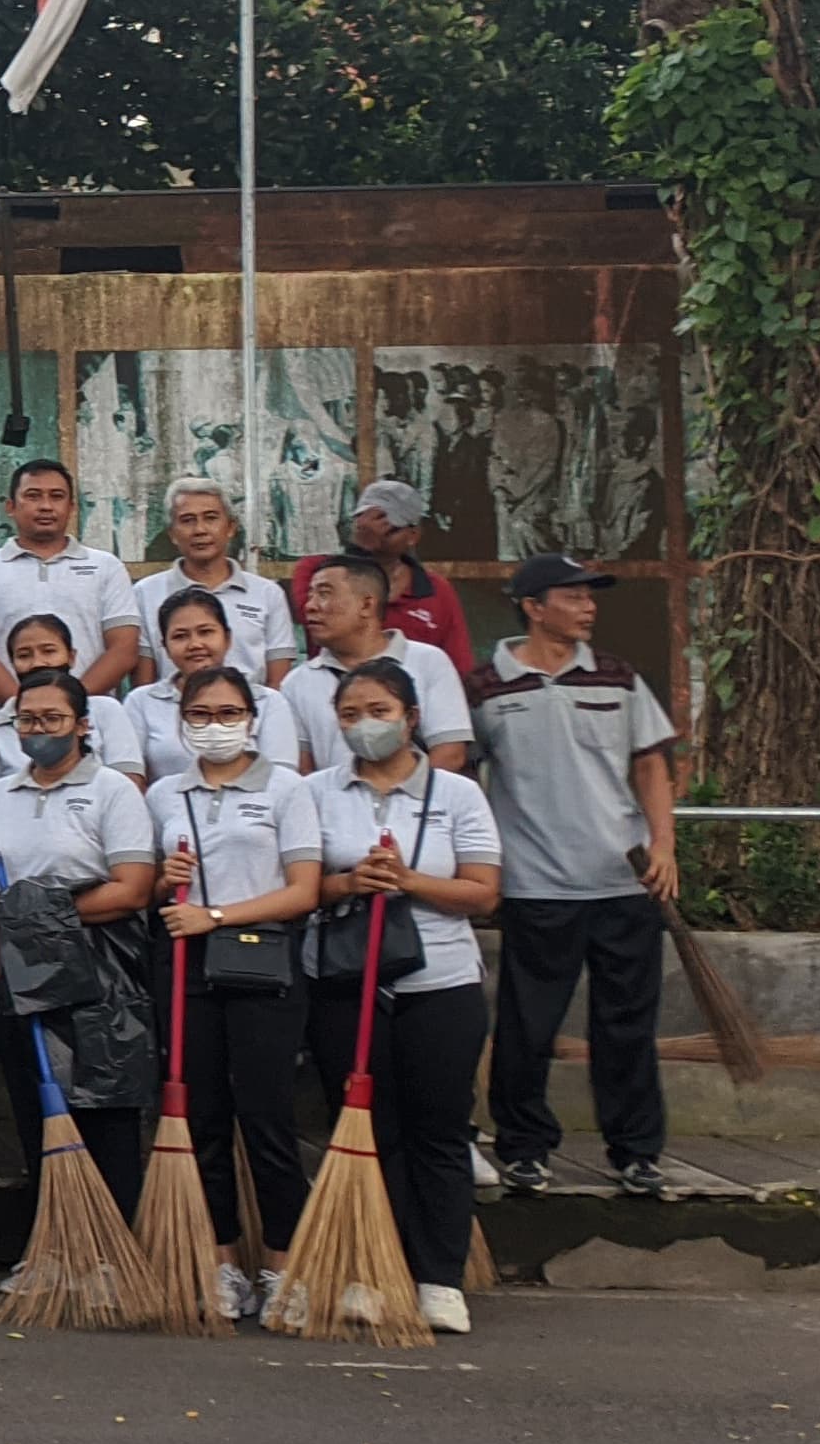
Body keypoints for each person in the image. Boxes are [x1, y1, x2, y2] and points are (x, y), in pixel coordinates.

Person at [471, 552, 683, 1199]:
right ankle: (525, 1146)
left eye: (591, 597)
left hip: (624, 880)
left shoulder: (618, 678)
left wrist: (664, 846)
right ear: (534, 608)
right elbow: (461, 774)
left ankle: (636, 1151)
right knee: (527, 1024)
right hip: (536, 886)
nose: (589, 606)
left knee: (626, 1025)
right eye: (573, 596)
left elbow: (650, 764)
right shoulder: (484, 687)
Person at [305, 657, 505, 1331]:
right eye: (351, 715)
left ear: (412, 718)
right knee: (366, 1129)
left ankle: (439, 1276)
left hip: (438, 983)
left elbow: (483, 890)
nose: (365, 726)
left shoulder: (456, 795)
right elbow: (304, 884)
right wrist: (349, 883)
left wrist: (410, 881)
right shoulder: (317, 792)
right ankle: (372, 1267)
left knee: (438, 1131)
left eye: (379, 712)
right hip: (347, 982)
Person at [154, 665, 323, 1315]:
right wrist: (163, 880)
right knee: (202, 1121)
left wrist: (218, 916)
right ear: (182, 721)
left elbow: (303, 890)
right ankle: (223, 1261)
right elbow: (144, 888)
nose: (214, 726)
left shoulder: (286, 788)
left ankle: (283, 1264)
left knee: (267, 1119)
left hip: (264, 966)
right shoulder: (167, 794)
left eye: (227, 714)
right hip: (187, 970)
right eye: (200, 715)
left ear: (252, 719)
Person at [0, 671, 163, 1217]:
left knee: (105, 1108)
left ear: (81, 725)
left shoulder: (112, 791)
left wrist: (41, 918)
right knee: (37, 1108)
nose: (39, 730)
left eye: (52, 719)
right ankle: (51, 1245)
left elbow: (132, 887)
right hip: (20, 970)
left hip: (100, 964)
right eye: (27, 720)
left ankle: (113, 1242)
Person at [0, 461, 143, 704]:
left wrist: (71, 706)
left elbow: (124, 650)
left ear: (72, 507)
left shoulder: (106, 567)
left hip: (93, 720)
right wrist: (27, 710)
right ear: (10, 507)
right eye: (33, 496)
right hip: (9, 722)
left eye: (57, 496)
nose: (45, 506)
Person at [279, 552, 474, 777]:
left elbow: (450, 752)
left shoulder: (428, 661)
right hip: (335, 809)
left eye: (324, 594)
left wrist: (404, 799)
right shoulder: (297, 683)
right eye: (311, 595)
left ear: (366, 604)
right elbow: (301, 768)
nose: (310, 606)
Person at [123, 586, 310, 787]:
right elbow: (133, 781)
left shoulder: (267, 701)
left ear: (227, 638)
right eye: (180, 636)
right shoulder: (141, 702)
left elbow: (280, 780)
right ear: (165, 647)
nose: (195, 644)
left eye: (205, 632)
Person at [293, 478, 473, 669]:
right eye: (365, 522)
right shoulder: (315, 570)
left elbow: (458, 664)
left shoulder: (436, 590)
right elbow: (320, 621)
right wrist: (360, 551)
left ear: (413, 535)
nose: (375, 533)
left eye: (388, 529)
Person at [135, 476, 297, 685]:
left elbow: (278, 684)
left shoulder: (268, 593)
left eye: (210, 518)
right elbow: (145, 685)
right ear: (172, 534)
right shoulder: (145, 593)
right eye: (187, 520)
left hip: (252, 713)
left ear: (230, 527)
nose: (200, 530)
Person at [0, 614, 92, 785]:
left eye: (49, 651)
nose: (37, 663)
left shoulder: (106, 711)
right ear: (12, 662)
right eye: (24, 656)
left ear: (71, 657)